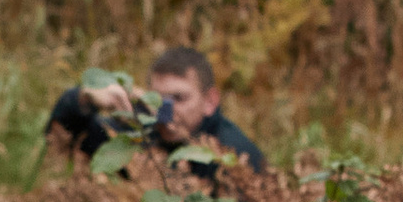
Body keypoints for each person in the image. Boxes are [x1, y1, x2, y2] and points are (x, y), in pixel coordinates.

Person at [44, 43, 267, 177]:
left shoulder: (236, 158)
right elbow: (61, 137)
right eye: (158, 98)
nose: (165, 109)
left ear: (209, 101)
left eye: (179, 98)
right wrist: (84, 100)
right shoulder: (147, 133)